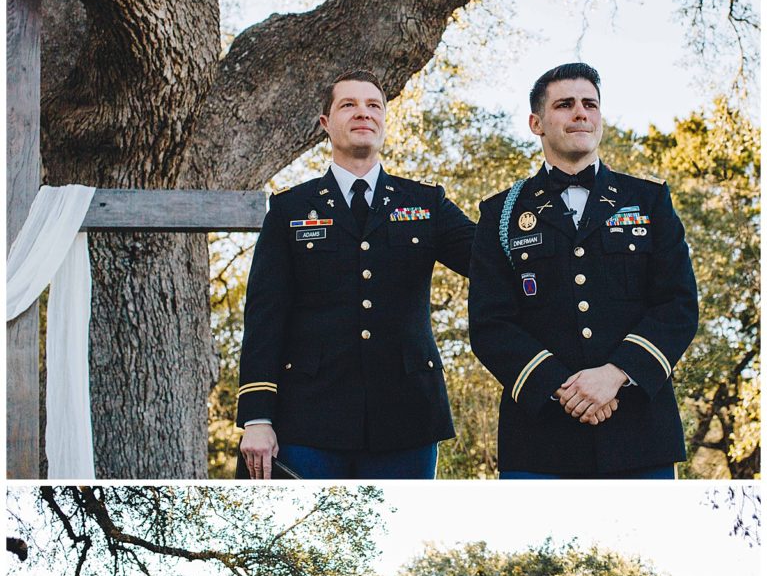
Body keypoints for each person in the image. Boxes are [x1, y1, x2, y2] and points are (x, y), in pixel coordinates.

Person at [237, 69, 475, 480]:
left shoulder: (426, 202)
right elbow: (264, 315)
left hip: (408, 417)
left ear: (384, 121)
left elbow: (491, 261)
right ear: (326, 124)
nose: (363, 113)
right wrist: (257, 416)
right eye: (348, 104)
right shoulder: (291, 208)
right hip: (309, 418)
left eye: (373, 105)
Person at [468, 61, 698, 479]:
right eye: (565, 104)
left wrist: (613, 376)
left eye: (590, 104)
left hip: (640, 434)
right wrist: (564, 387)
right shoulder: (500, 214)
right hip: (539, 439)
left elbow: (678, 304)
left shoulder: (649, 200)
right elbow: (490, 323)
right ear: (536, 122)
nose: (580, 113)